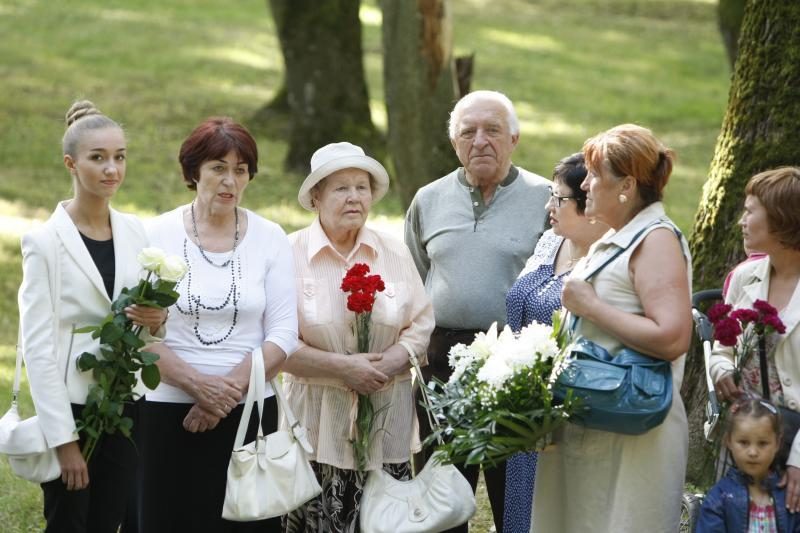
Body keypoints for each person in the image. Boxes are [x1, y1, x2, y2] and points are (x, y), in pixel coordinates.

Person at [137, 117, 298, 532]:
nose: (230, 181)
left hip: (249, 414)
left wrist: (221, 396)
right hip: (166, 411)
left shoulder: (271, 237)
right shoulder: (154, 234)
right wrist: (196, 385)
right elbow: (138, 333)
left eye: (240, 170)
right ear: (193, 172)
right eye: (218, 168)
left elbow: (283, 335)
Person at [533, 124, 693, 532]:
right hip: (595, 423)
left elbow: (673, 337)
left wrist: (592, 306)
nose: (584, 185)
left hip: (632, 432)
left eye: (593, 175)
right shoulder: (618, 237)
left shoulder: (655, 239)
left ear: (626, 184)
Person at [404, 90, 551, 532]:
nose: (480, 140)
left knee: (515, 501)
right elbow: (413, 278)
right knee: (441, 496)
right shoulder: (428, 200)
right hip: (440, 362)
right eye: (468, 132)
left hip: (516, 365)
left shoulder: (546, 199)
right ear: (455, 144)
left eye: (492, 130)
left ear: (514, 138)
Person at [17, 100, 166, 532]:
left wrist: (157, 319)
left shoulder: (136, 231)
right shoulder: (44, 243)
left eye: (119, 157)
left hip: (125, 403)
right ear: (71, 163)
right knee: (68, 522)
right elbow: (38, 348)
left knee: (110, 520)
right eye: (97, 158)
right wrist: (63, 441)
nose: (111, 169)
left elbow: (147, 324)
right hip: (71, 408)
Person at [280, 142, 435, 532]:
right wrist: (342, 368)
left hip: (387, 423)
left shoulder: (393, 252)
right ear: (316, 197)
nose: (354, 197)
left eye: (361, 187)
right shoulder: (288, 254)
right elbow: (277, 339)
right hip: (317, 427)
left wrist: (397, 358)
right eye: (341, 188)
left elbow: (421, 322)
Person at [502, 153, 607, 533]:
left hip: (569, 418)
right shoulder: (550, 242)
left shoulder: (604, 262)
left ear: (588, 204)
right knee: (521, 513)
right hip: (524, 412)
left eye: (558, 198)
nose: (549, 206)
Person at [710, 166, 800, 513]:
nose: (741, 221)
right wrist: (721, 370)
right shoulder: (745, 276)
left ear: (781, 218)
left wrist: (797, 460)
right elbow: (722, 348)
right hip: (744, 437)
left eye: (750, 212)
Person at [696, 398, 800, 532]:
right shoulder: (719, 498)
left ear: (777, 444)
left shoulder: (789, 497)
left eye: (762, 443)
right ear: (729, 441)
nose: (753, 452)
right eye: (744, 442)